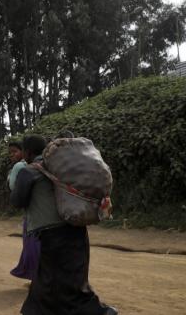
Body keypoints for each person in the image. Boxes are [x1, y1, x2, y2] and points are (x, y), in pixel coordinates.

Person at [10, 135, 117, 315]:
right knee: (68, 281)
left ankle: (101, 312)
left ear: (27, 152)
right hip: (77, 230)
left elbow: (17, 201)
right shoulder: (60, 169)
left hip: (53, 237)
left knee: (59, 287)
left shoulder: (29, 171)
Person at [8, 141, 40, 282]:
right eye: (10, 153)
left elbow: (13, 187)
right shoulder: (41, 165)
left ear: (25, 151)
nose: (12, 155)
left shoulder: (20, 166)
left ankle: (35, 276)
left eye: (15, 151)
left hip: (31, 213)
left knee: (31, 244)